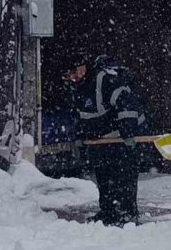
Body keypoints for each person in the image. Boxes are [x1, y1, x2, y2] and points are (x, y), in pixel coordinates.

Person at [64, 52, 151, 226]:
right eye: (69, 75)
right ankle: (108, 211)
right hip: (101, 140)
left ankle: (127, 213)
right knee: (103, 176)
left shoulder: (104, 79)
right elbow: (80, 115)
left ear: (83, 68)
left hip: (122, 137)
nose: (72, 78)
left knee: (124, 175)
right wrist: (80, 135)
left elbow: (126, 103)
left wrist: (128, 133)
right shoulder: (77, 88)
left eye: (74, 72)